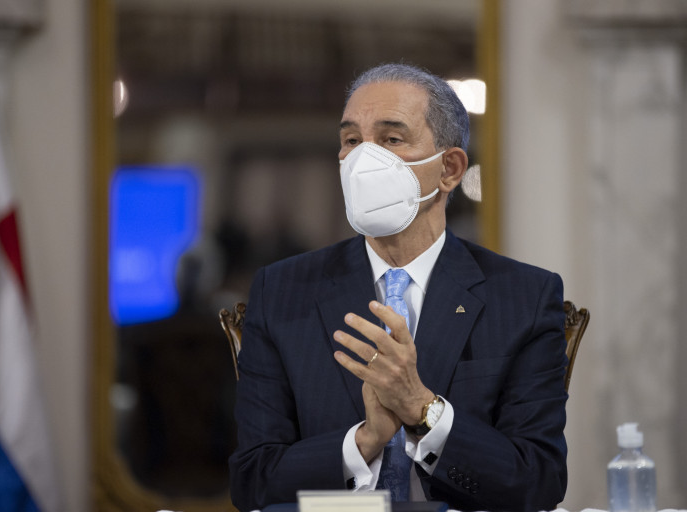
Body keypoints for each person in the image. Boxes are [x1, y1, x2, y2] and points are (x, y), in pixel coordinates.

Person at [228, 63, 568, 512]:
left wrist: (424, 410)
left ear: (450, 169)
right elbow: (253, 480)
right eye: (352, 140)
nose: (363, 160)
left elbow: (539, 480)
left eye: (391, 139)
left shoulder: (524, 297)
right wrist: (363, 442)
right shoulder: (283, 291)